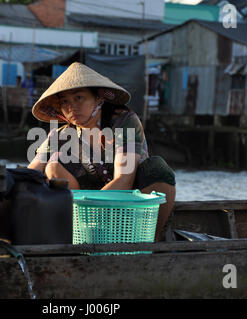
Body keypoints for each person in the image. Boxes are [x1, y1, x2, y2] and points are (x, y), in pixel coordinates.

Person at [28, 62, 176, 241]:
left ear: (98, 98)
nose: (71, 107)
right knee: (53, 166)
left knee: (157, 168)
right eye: (64, 102)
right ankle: (76, 236)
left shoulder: (123, 122)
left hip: (131, 206)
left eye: (79, 98)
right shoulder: (61, 135)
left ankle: (152, 241)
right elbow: (32, 171)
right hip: (83, 214)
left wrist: (93, 214)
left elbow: (124, 179)